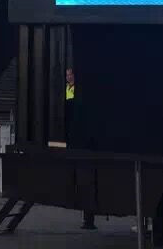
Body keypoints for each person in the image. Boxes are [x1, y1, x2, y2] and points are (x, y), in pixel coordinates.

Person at [64, 67, 97, 230]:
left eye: (71, 74)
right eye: (67, 75)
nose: (69, 77)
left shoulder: (79, 92)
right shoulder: (66, 90)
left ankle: (88, 219)